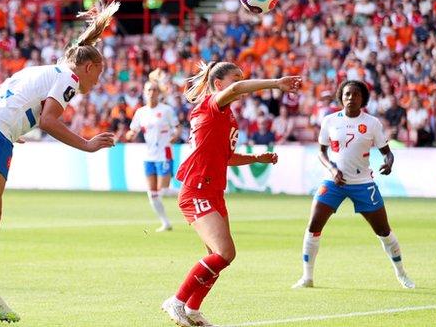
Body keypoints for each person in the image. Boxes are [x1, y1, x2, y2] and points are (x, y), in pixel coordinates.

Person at [0, 2, 120, 327]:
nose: (97, 82)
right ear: (87, 67)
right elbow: (48, 120)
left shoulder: (45, 69)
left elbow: (16, 99)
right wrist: (87, 145)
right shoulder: (70, 78)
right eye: (99, 74)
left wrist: (12, 127)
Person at [161, 62, 301, 326]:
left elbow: (225, 157)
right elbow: (237, 88)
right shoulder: (212, 104)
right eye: (236, 78)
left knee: (220, 256)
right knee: (224, 253)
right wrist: (275, 83)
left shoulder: (227, 116)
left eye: (241, 78)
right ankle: (177, 301)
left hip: (213, 190)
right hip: (197, 188)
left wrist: (255, 157)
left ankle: (191, 309)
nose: (241, 83)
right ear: (218, 85)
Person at [292, 80, 415, 290]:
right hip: (333, 182)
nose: (351, 98)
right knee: (313, 226)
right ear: (341, 97)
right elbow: (321, 152)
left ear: (363, 99)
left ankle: (402, 274)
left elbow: (387, 153)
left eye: (355, 95)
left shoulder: (372, 123)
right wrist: (332, 169)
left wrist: (388, 163)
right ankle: (307, 277)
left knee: (384, 232)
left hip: (363, 183)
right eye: (347, 94)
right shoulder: (329, 121)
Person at [126, 73, 182, 232]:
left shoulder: (166, 110)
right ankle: (165, 222)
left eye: (155, 90)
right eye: (149, 90)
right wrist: (130, 135)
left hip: (164, 153)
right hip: (149, 156)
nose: (152, 93)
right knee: (152, 194)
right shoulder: (140, 112)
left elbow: (177, 126)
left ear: (159, 92)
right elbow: (133, 130)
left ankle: (188, 193)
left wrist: (175, 135)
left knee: (163, 190)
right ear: (144, 92)